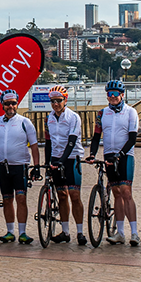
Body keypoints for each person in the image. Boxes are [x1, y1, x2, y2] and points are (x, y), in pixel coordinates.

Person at [0, 89, 41, 244]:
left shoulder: (25, 122)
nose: (10, 106)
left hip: (20, 166)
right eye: (7, 103)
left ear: (17, 104)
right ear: (2, 105)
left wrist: (36, 166)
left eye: (13, 103)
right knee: (7, 199)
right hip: (3, 166)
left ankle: (22, 232)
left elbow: (34, 145)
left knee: (21, 199)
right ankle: (10, 232)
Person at [89, 82, 141, 246]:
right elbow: (96, 136)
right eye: (109, 93)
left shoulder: (131, 112)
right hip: (109, 155)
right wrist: (92, 153)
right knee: (116, 193)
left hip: (125, 155)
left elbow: (132, 138)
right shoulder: (102, 113)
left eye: (115, 93)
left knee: (126, 192)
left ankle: (134, 233)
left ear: (122, 94)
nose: (112, 96)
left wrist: (121, 154)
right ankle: (120, 232)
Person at [43, 84, 87, 245]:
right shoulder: (49, 118)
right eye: (53, 101)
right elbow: (48, 142)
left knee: (75, 196)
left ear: (65, 100)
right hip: (56, 157)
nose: (55, 104)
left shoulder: (73, 117)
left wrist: (63, 160)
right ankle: (65, 231)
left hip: (71, 158)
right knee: (62, 195)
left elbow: (72, 141)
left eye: (59, 101)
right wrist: (48, 162)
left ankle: (81, 232)